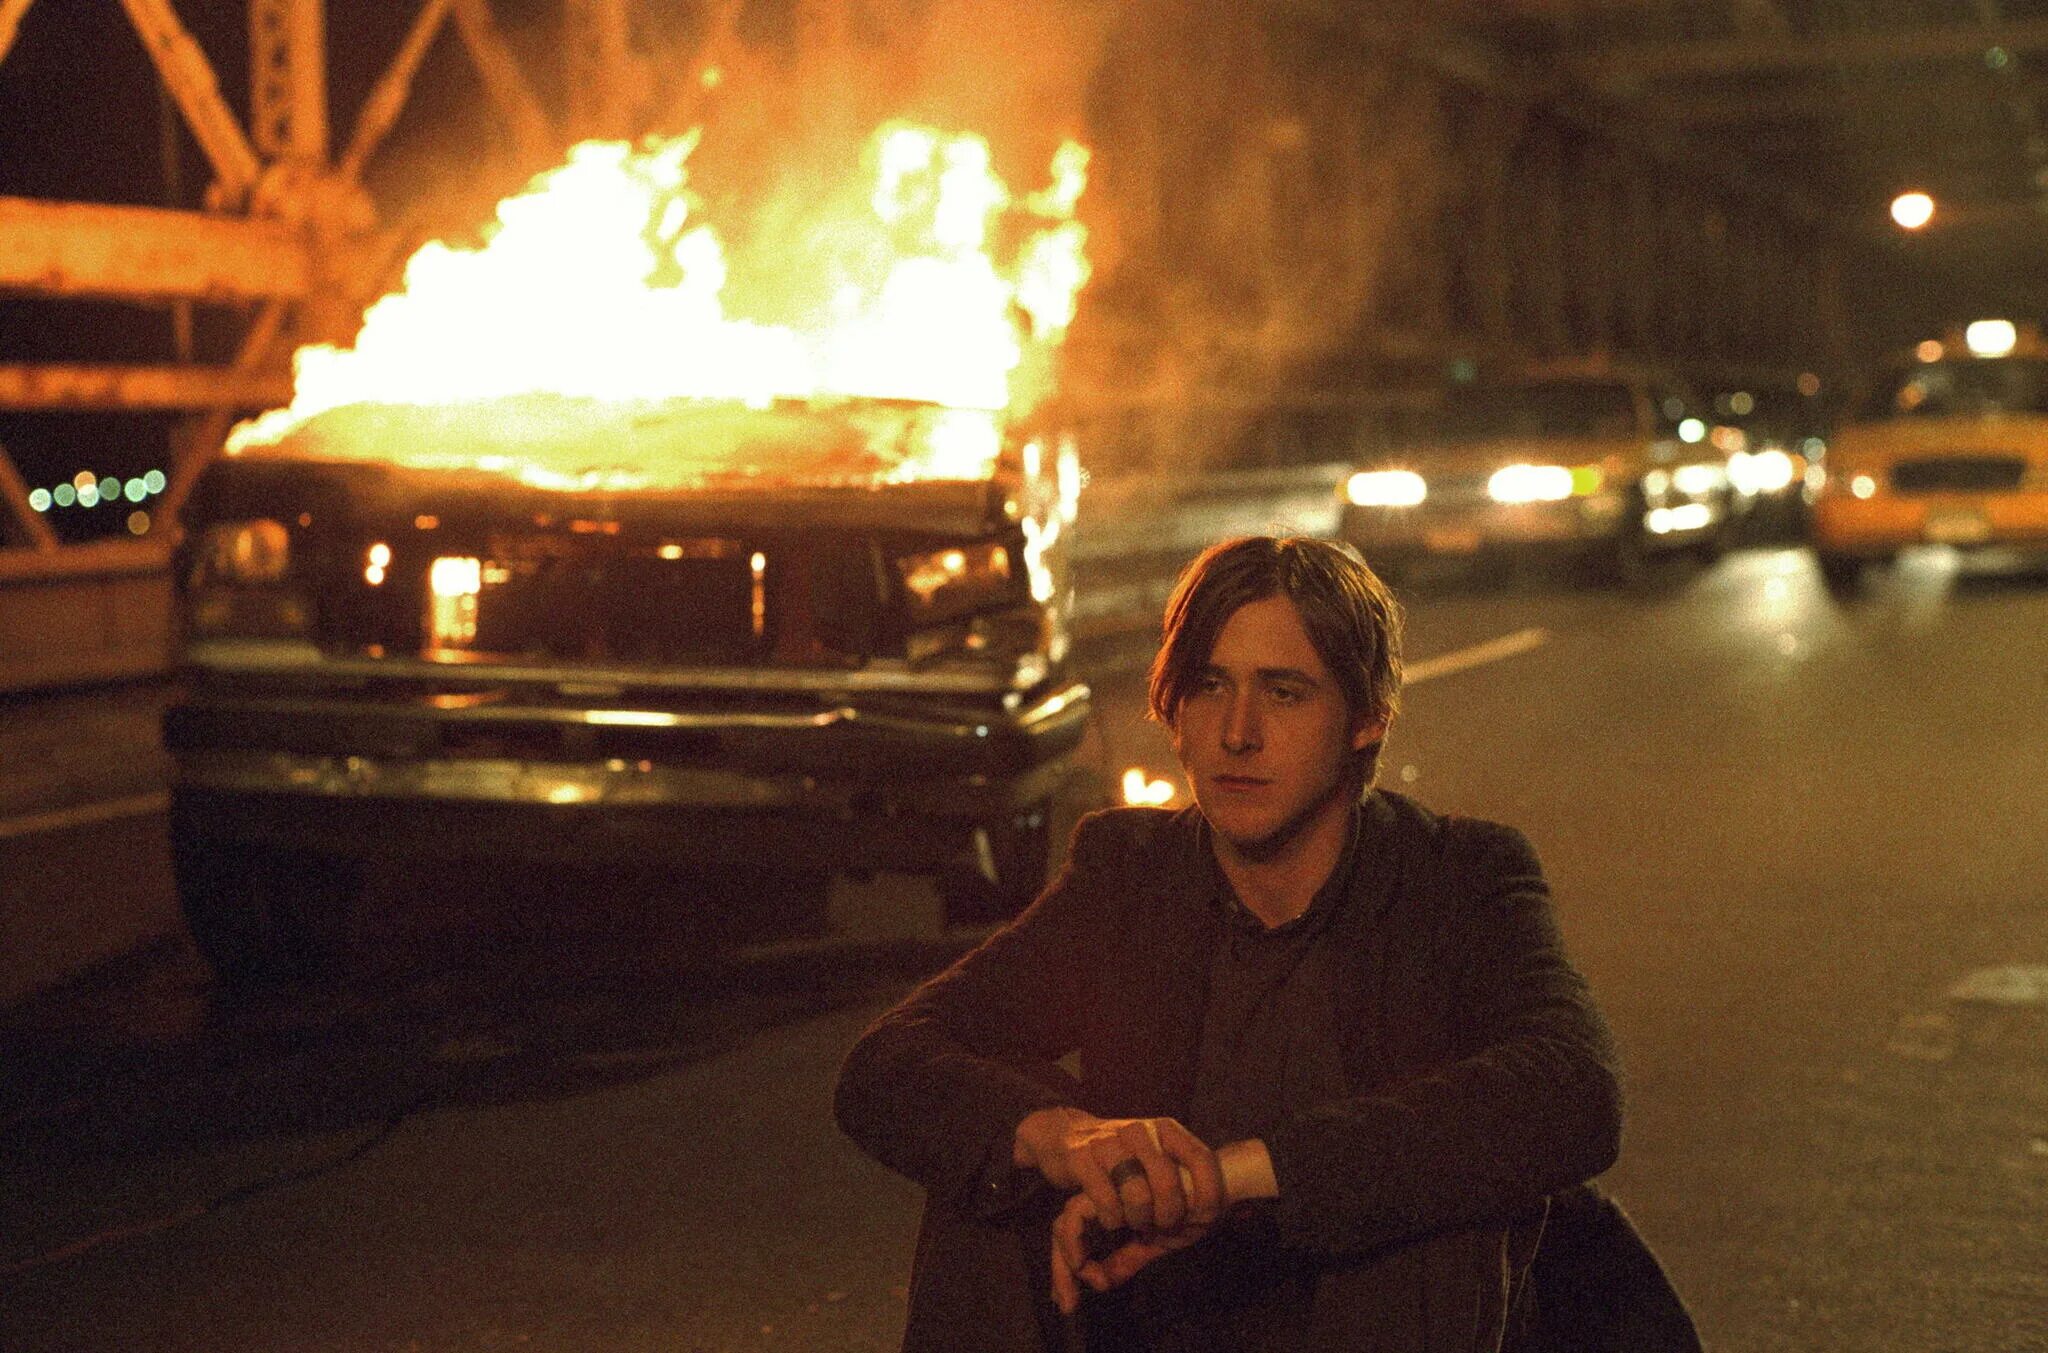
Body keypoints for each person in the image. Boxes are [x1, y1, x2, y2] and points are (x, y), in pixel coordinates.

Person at [834, 535, 1626, 1352]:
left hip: (1377, 1315)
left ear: (1366, 719)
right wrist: (1063, 1138)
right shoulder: (1131, 875)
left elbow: (1576, 1088)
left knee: (1432, 1194)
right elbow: (887, 1062)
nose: (1237, 732)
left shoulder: (1455, 877)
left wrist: (1229, 1178)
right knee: (996, 1153)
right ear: (1174, 711)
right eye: (1210, 686)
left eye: (1283, 693)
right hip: (1167, 1310)